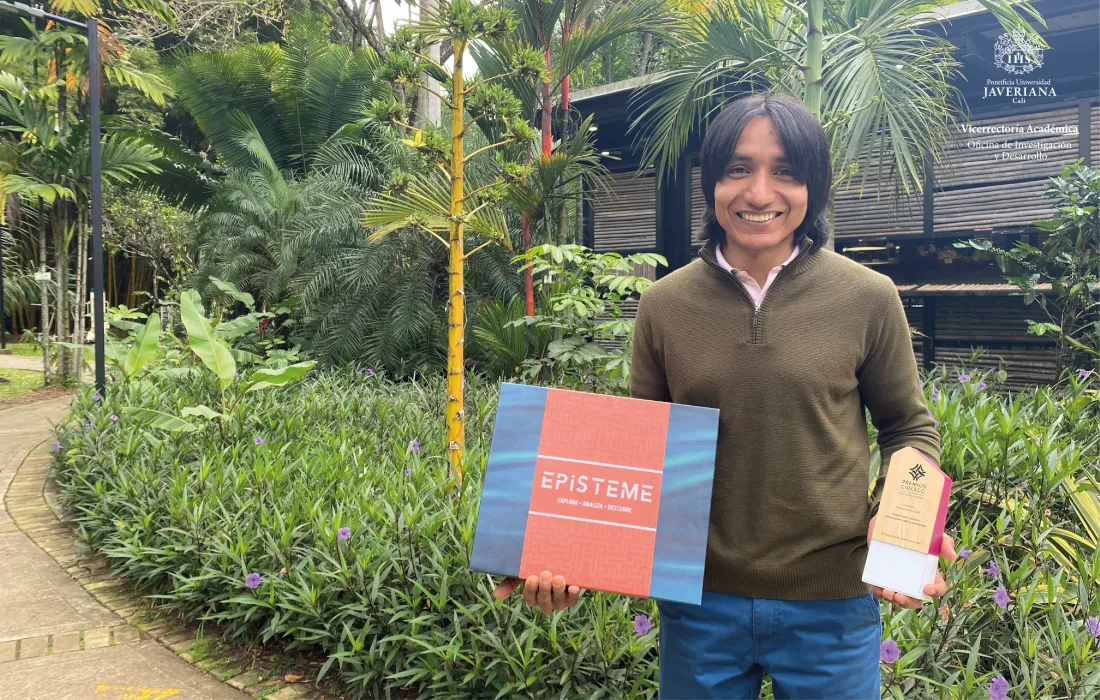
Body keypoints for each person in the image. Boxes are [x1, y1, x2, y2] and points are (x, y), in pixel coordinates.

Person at [492, 92, 955, 699]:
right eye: (739, 169)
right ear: (711, 182)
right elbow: (640, 457)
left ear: (813, 187)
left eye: (785, 171)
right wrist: (564, 558)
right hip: (700, 605)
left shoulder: (867, 297)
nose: (759, 193)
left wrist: (904, 531)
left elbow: (908, 427)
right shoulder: (664, 305)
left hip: (831, 605)